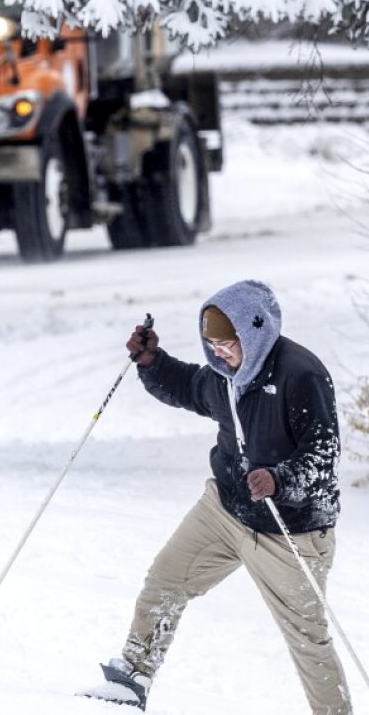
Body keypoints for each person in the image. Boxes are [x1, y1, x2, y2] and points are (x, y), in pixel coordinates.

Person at [87, 279, 352, 714]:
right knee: (165, 583)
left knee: (308, 641)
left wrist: (280, 480)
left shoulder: (300, 375)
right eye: (212, 346)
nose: (220, 354)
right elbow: (191, 386)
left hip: (292, 531)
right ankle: (131, 680)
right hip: (226, 510)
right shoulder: (225, 378)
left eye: (228, 345)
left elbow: (324, 455)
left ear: (254, 332)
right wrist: (152, 361)